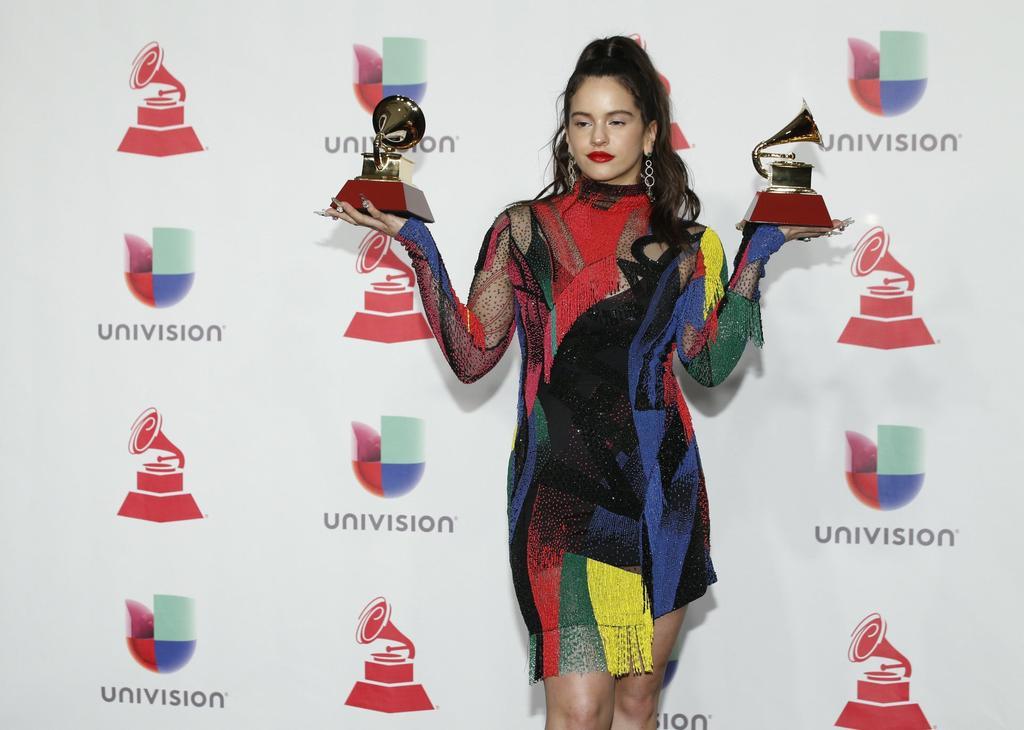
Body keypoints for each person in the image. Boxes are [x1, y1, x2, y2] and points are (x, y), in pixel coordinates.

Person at [326, 35, 846, 730]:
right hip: (559, 498)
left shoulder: (691, 248)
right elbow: (474, 354)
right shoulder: (523, 230)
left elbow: (709, 366)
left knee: (635, 706)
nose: (597, 137)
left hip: (662, 492)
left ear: (652, 131)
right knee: (576, 712)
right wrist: (416, 245)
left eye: (618, 119)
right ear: (565, 130)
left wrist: (759, 251)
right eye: (582, 120)